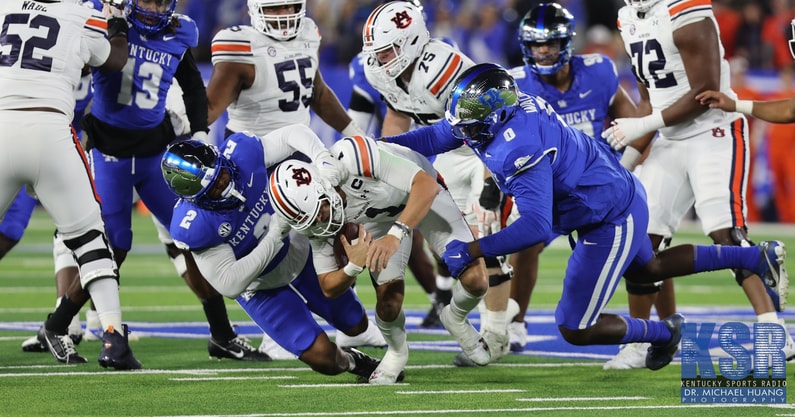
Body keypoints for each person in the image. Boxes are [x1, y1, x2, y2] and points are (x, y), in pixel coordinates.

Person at [384, 62, 789, 371]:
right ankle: (753, 257)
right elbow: (436, 135)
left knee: (575, 327)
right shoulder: (497, 115)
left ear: (496, 117)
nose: (463, 132)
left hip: (606, 215)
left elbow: (535, 226)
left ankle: (663, 332)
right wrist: (379, 147)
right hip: (607, 193)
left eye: (471, 126)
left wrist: (473, 248)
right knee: (649, 268)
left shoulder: (517, 145)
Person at [35, 0, 271, 363]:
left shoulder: (179, 31)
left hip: (155, 155)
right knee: (115, 246)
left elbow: (192, 86)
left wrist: (200, 132)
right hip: (109, 153)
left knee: (193, 236)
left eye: (161, 1)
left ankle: (222, 335)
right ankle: (58, 324)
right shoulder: (107, 21)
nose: (154, 7)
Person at [601, 0, 794, 368]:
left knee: (726, 234)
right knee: (639, 245)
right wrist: (625, 165)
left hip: (713, 131)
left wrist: (642, 126)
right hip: (669, 139)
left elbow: (705, 93)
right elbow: (649, 100)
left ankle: (775, 332)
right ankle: (643, 339)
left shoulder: (685, 9)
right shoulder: (628, 18)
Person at [204, 0, 383, 357]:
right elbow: (210, 108)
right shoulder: (239, 44)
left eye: (288, 6)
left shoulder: (308, 32)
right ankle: (276, 332)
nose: (283, 15)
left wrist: (353, 132)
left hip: (301, 152)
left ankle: (349, 323)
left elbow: (318, 94)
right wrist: (191, 135)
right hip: (254, 159)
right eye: (274, 9)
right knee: (272, 244)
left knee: (332, 225)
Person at [161, 126, 382, 382]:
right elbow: (229, 284)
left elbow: (293, 134)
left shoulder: (242, 153)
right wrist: (275, 236)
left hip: (298, 252)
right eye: (213, 188)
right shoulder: (195, 225)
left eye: (222, 173)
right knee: (324, 358)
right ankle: (355, 362)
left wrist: (321, 156)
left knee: (355, 323)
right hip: (261, 286)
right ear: (196, 199)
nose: (224, 183)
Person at [503, 2, 660, 357]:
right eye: (536, 44)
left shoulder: (598, 72)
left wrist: (625, 170)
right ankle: (515, 322)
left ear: (566, 43)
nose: (543, 51)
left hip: (597, 190)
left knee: (648, 259)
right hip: (548, 192)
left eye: (550, 43)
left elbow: (634, 126)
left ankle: (655, 329)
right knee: (522, 243)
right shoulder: (514, 86)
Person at [361, 1, 514, 363]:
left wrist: (491, 180)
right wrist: (388, 161)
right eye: (378, 52)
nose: (381, 60)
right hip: (446, 150)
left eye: (389, 51)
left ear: (413, 41)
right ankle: (469, 315)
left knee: (488, 238)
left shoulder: (441, 68)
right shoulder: (381, 70)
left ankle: (497, 334)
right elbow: (398, 111)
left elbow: (495, 118)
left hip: (487, 147)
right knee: (451, 244)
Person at [269, 135, 491, 384]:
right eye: (311, 219)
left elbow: (425, 185)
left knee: (476, 281)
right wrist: (353, 266)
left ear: (323, 186)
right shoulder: (315, 221)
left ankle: (455, 316)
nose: (322, 222)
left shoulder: (353, 157)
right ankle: (396, 352)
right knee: (388, 304)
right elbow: (328, 286)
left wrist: (396, 234)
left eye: (320, 211)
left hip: (422, 194)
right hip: (378, 220)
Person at [0, 0, 139, 369]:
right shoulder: (81, 15)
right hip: (50, 131)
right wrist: (119, 28)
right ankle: (113, 338)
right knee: (91, 240)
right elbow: (114, 60)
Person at [346, 1, 455, 330]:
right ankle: (440, 296)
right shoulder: (367, 62)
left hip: (445, 147)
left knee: (444, 230)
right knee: (406, 234)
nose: (384, 56)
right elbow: (359, 116)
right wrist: (368, 157)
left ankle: (448, 293)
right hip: (400, 147)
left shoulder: (442, 55)